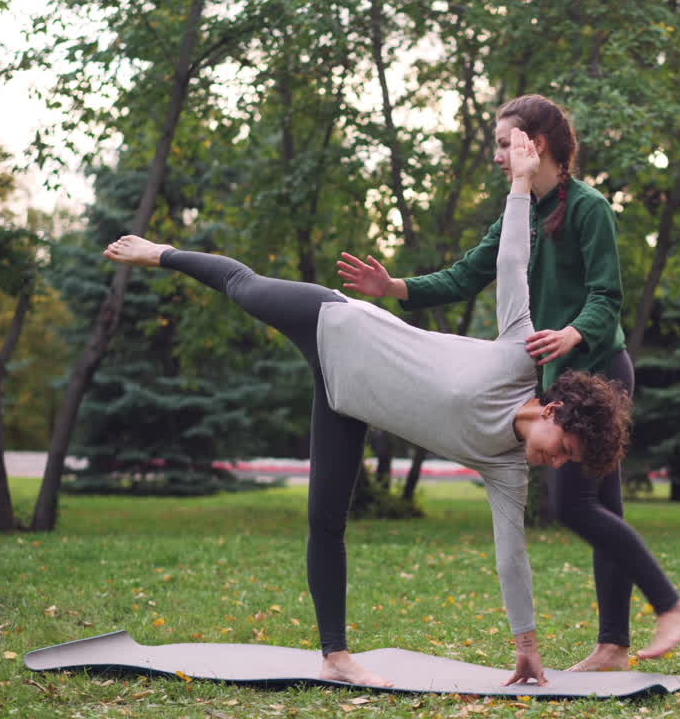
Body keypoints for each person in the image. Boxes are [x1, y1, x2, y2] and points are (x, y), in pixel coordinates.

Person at [103, 128, 632, 688]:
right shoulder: (518, 354)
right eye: (565, 451)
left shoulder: (506, 469)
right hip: (336, 324)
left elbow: (512, 559)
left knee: (326, 518)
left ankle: (334, 653)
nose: (557, 463)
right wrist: (521, 185)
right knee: (242, 284)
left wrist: (527, 648)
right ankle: (160, 252)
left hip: (346, 401)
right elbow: (511, 263)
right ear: (554, 412)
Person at [337, 94, 680, 672]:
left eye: (507, 144)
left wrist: (573, 335)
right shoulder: (521, 211)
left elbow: (607, 296)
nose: (500, 158)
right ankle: (614, 644)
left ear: (540, 145)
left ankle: (671, 606)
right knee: (599, 506)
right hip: (560, 378)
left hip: (598, 370)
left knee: (575, 506)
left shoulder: (589, 209)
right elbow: (466, 274)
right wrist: (394, 288)